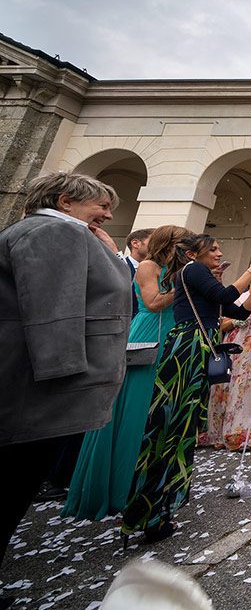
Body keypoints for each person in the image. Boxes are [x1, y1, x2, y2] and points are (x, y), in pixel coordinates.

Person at [0, 172, 131, 562]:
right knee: (14, 484)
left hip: (35, 388)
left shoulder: (63, 233)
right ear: (65, 202)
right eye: (102, 206)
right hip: (42, 392)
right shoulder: (55, 233)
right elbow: (55, 312)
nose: (107, 215)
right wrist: (71, 384)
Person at [121, 234, 251, 544]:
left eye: (218, 247)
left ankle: (162, 507)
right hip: (186, 348)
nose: (219, 252)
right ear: (191, 252)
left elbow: (238, 311)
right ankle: (150, 510)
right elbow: (226, 291)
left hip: (200, 347)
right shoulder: (190, 269)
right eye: (212, 248)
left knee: (184, 426)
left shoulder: (198, 274)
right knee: (170, 425)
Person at [64, 224, 190, 521]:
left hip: (173, 335)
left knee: (159, 411)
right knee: (135, 409)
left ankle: (150, 481)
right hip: (149, 334)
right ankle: (120, 486)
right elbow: (153, 302)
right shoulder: (148, 266)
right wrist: (184, 286)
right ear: (170, 244)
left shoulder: (179, 270)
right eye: (184, 244)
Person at [200, 288, 251, 451]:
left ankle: (244, 431)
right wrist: (238, 320)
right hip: (238, 349)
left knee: (249, 390)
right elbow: (222, 324)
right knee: (232, 387)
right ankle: (224, 432)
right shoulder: (239, 298)